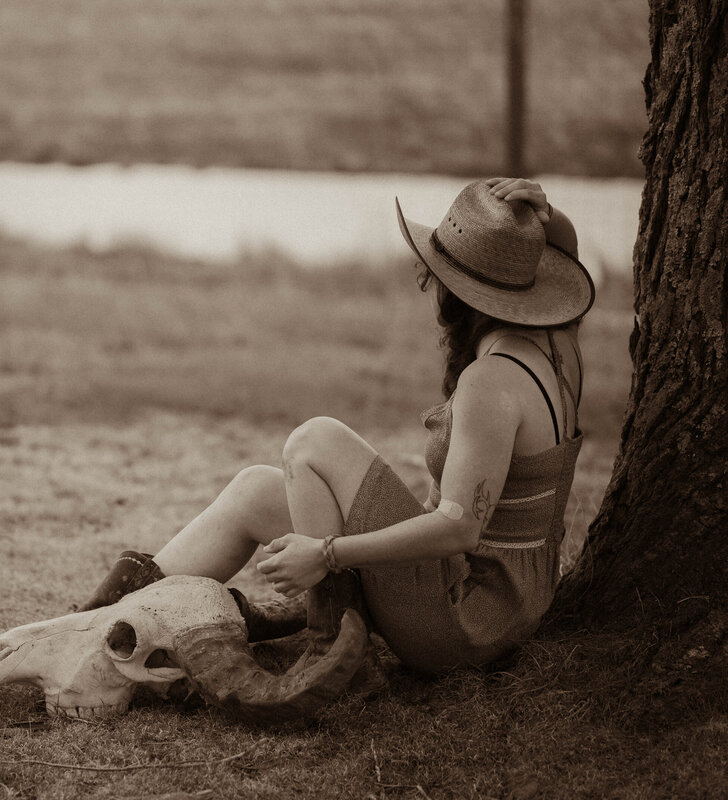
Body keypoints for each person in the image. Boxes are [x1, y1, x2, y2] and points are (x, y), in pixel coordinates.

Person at [76, 177, 595, 674]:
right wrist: (546, 219)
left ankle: (332, 651)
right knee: (256, 491)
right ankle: (101, 621)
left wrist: (324, 553)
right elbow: (566, 258)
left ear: (449, 288)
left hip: (463, 619)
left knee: (315, 440)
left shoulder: (489, 383)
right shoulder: (559, 347)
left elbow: (459, 526)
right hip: (509, 601)